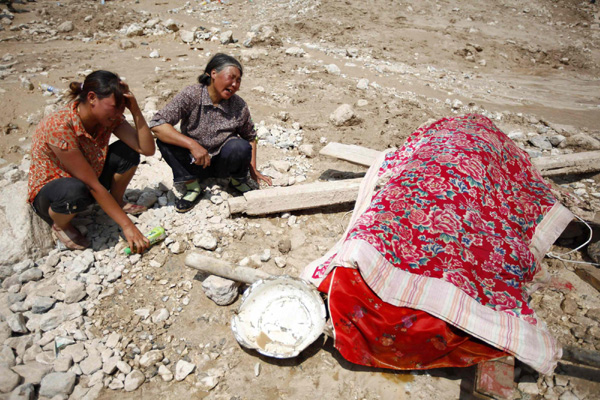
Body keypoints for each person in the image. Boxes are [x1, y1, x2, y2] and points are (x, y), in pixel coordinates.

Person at [301, 114, 573, 375]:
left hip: (463, 164)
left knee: (459, 217)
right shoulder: (448, 136)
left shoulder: (465, 136)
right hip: (437, 172)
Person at [27, 70, 156, 253]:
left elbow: (147, 149)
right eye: (114, 106)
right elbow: (91, 184)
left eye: (122, 107)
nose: (119, 112)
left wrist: (134, 109)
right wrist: (128, 226)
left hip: (89, 177)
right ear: (92, 97)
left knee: (128, 151)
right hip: (53, 190)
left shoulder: (109, 118)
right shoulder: (60, 126)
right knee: (74, 191)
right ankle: (60, 224)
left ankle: (116, 201)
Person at [149, 53, 272, 213]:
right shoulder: (192, 95)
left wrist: (253, 170)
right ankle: (192, 187)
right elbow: (157, 124)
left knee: (239, 146)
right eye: (231, 77)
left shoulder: (238, 105)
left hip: (223, 165)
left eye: (239, 80)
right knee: (164, 140)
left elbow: (250, 137)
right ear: (213, 73)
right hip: (194, 162)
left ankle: (236, 181)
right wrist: (192, 145)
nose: (235, 84)